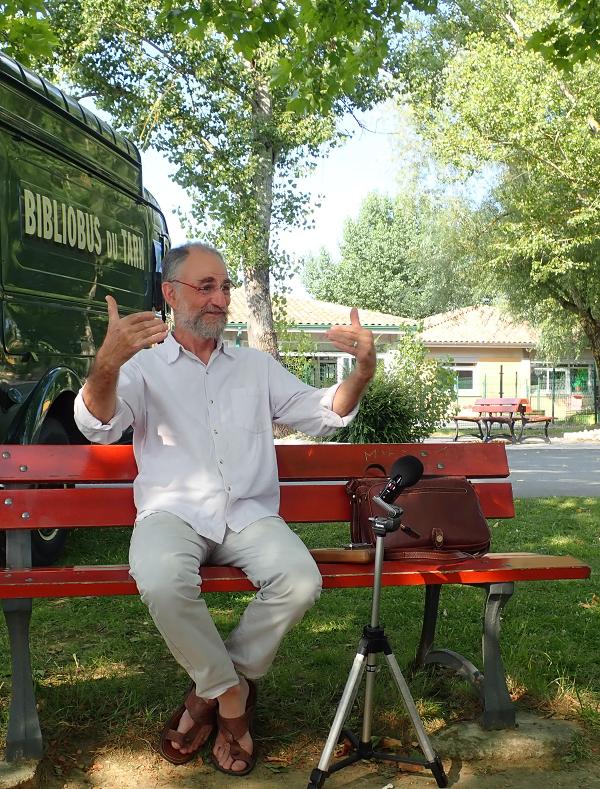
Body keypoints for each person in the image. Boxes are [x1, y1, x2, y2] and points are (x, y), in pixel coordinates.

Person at [73, 242, 376, 776]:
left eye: (225, 287)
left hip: (247, 514)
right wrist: (106, 364)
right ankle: (231, 696)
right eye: (205, 286)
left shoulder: (255, 366)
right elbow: (97, 424)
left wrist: (361, 374)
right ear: (170, 294)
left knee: (300, 580)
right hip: (173, 512)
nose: (220, 299)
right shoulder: (142, 367)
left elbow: (322, 413)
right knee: (161, 580)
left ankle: (207, 692)